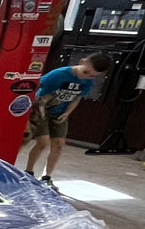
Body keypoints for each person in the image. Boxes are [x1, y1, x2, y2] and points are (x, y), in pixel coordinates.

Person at [22, 52, 113, 186]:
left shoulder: (88, 81)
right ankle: (28, 172)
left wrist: (67, 113)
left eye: (92, 75)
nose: (87, 76)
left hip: (60, 112)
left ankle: (46, 177)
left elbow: (77, 98)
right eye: (86, 72)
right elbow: (36, 90)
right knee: (43, 141)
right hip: (41, 109)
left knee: (59, 144)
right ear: (82, 62)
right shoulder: (58, 75)